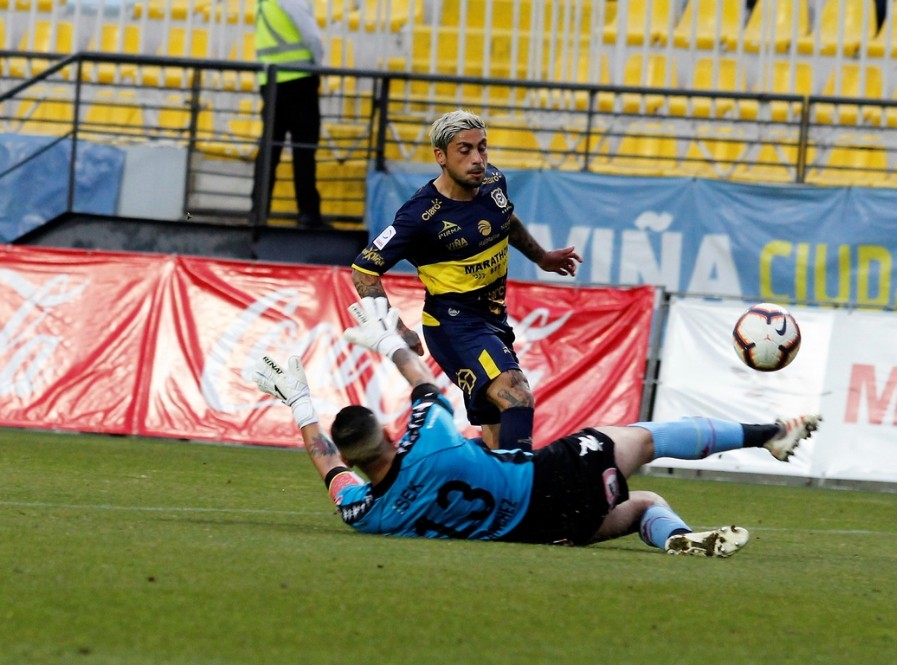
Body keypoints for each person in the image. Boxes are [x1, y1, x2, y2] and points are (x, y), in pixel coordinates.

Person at [253, 297, 822, 557]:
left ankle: (676, 539)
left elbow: (327, 464)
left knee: (645, 502)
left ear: (357, 461)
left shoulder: (366, 513)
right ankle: (768, 433)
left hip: (543, 534)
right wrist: (386, 340)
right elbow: (419, 377)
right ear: (384, 430)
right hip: (550, 482)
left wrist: (299, 402)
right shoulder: (427, 438)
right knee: (643, 438)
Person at [350, 109, 582, 453]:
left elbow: (507, 220)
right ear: (440, 156)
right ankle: (524, 489)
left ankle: (488, 493)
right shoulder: (419, 216)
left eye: (482, 148)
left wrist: (542, 258)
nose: (478, 159)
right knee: (516, 394)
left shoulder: (493, 182)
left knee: (497, 431)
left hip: (494, 320)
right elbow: (364, 269)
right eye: (465, 150)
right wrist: (396, 328)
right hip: (455, 326)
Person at [249, 0, 326, 229]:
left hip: (271, 82)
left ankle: (258, 212)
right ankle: (308, 215)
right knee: (304, 150)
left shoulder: (263, 3)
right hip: (299, 80)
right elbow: (312, 37)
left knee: (269, 151)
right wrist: (318, 67)